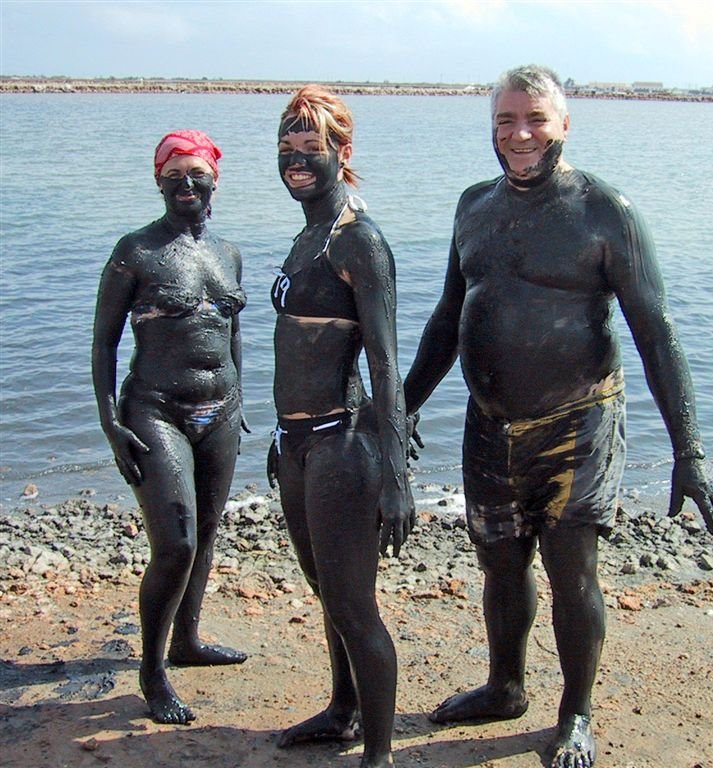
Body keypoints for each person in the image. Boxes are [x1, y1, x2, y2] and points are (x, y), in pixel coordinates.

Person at [403, 65, 713, 768]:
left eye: (535, 121)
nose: (520, 135)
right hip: (489, 425)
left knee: (570, 569)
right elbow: (445, 318)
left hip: (578, 424)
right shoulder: (473, 206)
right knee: (499, 565)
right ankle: (504, 686)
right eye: (505, 121)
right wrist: (399, 408)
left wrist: (690, 451)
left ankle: (576, 712)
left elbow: (657, 333)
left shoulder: (605, 211)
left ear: (564, 126)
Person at [268, 85, 414, 767]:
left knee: (354, 605)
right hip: (296, 447)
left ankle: (378, 755)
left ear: (342, 153)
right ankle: (342, 709)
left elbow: (386, 367)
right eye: (288, 148)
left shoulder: (361, 241)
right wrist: (278, 439)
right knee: (325, 592)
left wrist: (396, 477)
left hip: (341, 445)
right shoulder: (308, 234)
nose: (297, 160)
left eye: (312, 148)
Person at [92, 130, 248, 725]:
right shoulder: (135, 251)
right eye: (174, 173)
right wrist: (111, 421)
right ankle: (152, 672)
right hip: (156, 410)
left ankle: (188, 640)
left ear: (215, 179)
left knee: (206, 533)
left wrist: (243, 398)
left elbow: (233, 331)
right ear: (158, 180)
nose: (186, 183)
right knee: (176, 542)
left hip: (224, 410)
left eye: (197, 173)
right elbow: (104, 340)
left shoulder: (229, 253)